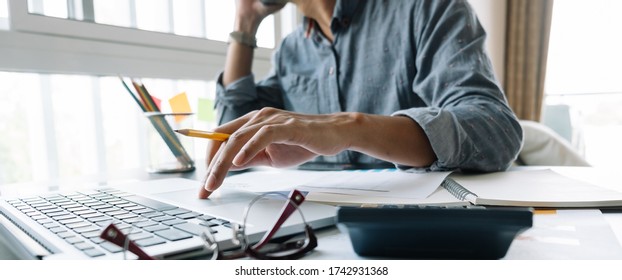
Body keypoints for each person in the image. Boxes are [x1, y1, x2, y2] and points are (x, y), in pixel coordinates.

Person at [199, 0, 523, 199]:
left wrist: (351, 128)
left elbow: (495, 130)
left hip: (415, 234)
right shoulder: (290, 52)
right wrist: (244, 23)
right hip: (311, 232)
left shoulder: (427, 7)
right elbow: (230, 146)